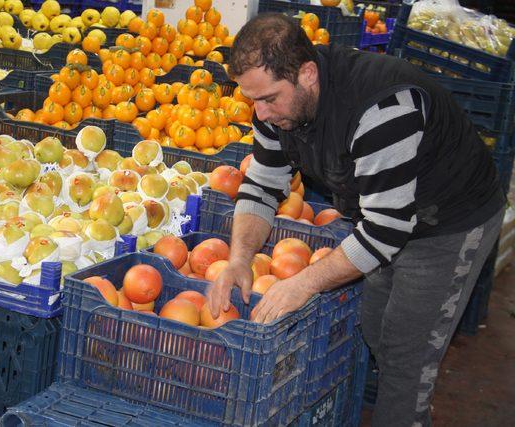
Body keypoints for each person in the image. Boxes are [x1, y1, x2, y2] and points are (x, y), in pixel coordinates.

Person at [206, 13, 506, 427]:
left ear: (307, 74)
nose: (260, 112)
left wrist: (303, 283)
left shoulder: (381, 109)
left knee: (407, 354)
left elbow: (385, 230)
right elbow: (262, 184)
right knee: (376, 325)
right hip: (384, 210)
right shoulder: (276, 107)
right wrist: (239, 260)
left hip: (450, 219)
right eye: (251, 99)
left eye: (269, 98)